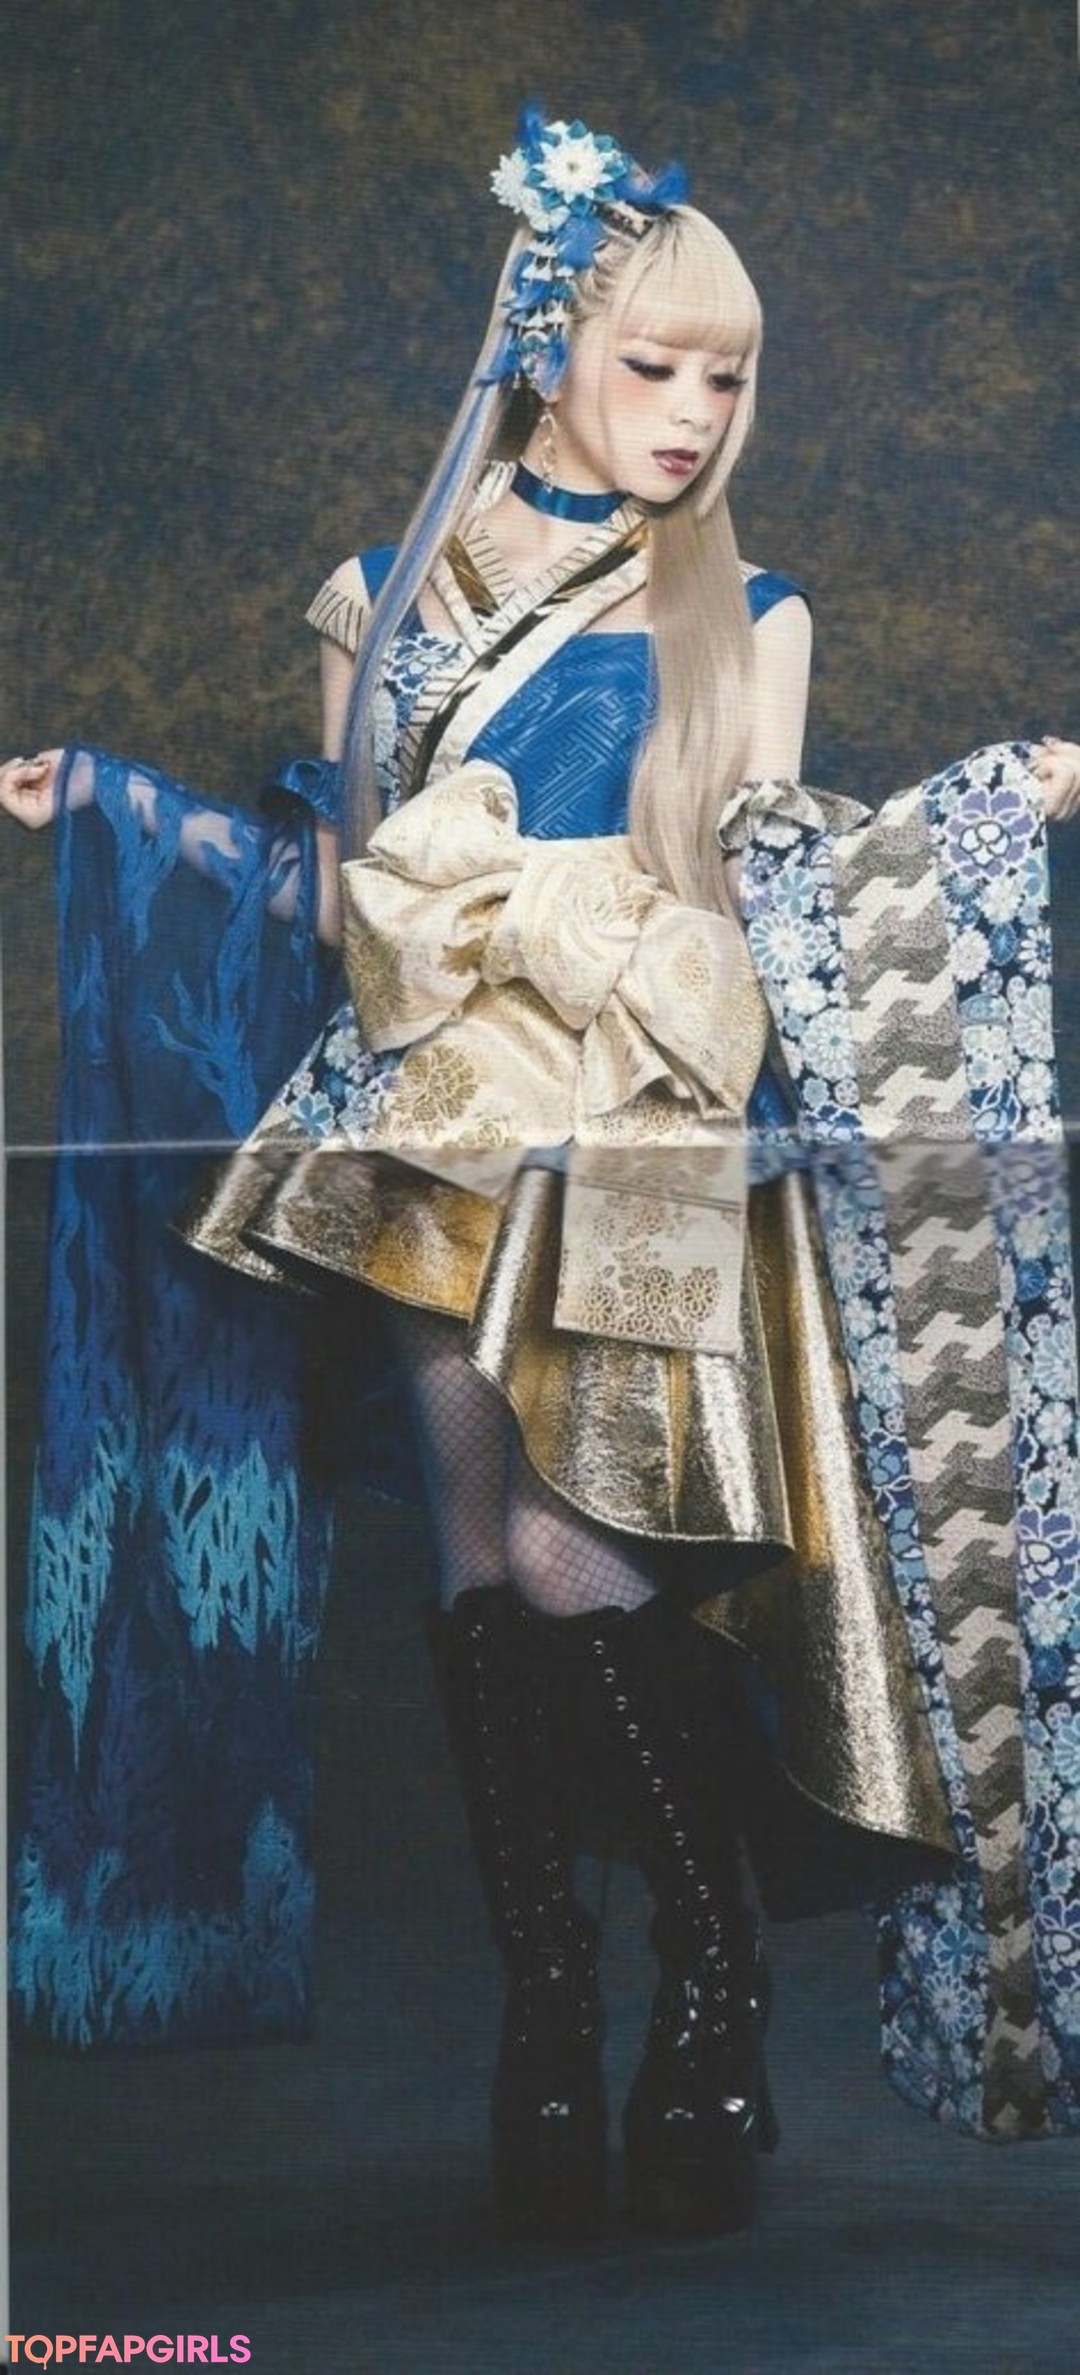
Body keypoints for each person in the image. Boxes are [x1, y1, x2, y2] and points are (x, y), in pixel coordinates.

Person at [5, 105, 1080, 2244]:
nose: (693, 413)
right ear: (541, 347)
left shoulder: (750, 609)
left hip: (647, 1122)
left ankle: (709, 1986)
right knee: (480, 1561)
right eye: (653, 363)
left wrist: (990, 811)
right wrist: (117, 813)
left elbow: (786, 890)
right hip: (433, 1114)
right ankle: (550, 2012)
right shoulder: (385, 593)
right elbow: (345, 892)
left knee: (583, 1553)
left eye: (727, 376)